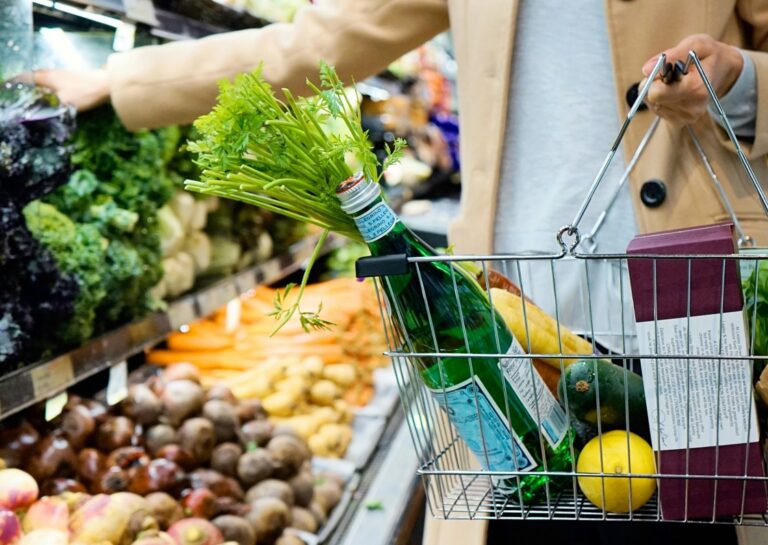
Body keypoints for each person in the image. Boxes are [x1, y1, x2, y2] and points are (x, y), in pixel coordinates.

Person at [36, 1, 768, 544]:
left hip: (690, 317)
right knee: (526, 519)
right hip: (502, 323)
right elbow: (318, 43)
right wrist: (122, 79)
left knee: (695, 520)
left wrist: (738, 86)